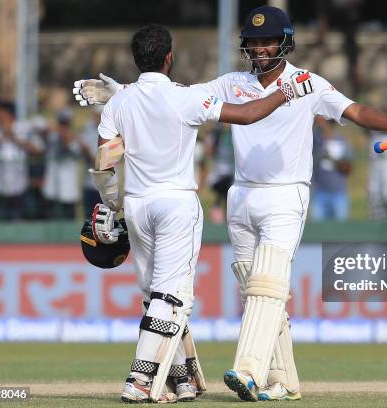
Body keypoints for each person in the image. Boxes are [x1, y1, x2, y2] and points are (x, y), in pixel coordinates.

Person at [73, 6, 387, 402]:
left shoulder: (307, 83)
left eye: (268, 42)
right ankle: (283, 380)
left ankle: (248, 371)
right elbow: (174, 99)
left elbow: (355, 111)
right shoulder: (232, 83)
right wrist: (124, 92)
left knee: (268, 286)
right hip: (241, 195)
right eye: (254, 43)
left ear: (285, 42)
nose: (260, 50)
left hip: (285, 193)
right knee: (252, 289)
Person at [76, 24, 314, 403]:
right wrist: (286, 91)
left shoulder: (119, 102)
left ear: (136, 59)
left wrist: (111, 202)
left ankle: (183, 376)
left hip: (136, 204)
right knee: (172, 296)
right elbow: (249, 114)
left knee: (155, 293)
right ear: (170, 57)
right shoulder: (186, 98)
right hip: (175, 205)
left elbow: (105, 162)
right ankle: (138, 381)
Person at [0, 101, 41, 221]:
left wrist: (14, 137)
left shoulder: (24, 128)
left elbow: (38, 150)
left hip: (18, 186)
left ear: (7, 114)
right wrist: (0, 137)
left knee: (16, 226)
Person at [42, 109, 82, 220]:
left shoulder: (76, 140)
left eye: (66, 124)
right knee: (50, 222)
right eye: (61, 124)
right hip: (52, 189)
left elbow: (75, 151)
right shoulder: (52, 136)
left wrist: (67, 139)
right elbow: (42, 133)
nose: (63, 127)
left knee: (68, 224)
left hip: (68, 191)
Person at [311, 117, 353, 221]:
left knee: (339, 233)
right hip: (319, 193)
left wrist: (333, 160)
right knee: (318, 233)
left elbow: (348, 168)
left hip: (339, 194)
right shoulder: (315, 140)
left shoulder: (341, 141)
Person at [206, 123, 234, 223]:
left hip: (233, 173)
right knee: (223, 194)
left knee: (230, 198)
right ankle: (217, 212)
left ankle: (225, 216)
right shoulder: (217, 134)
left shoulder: (236, 134)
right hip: (219, 174)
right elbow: (209, 152)